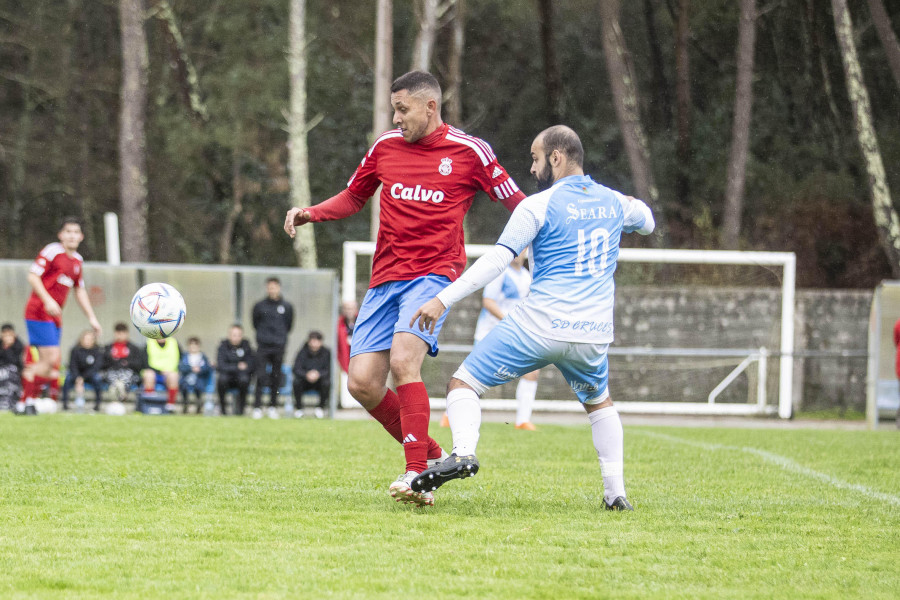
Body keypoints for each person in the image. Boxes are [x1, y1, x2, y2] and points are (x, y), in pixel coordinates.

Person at [284, 70, 526, 507]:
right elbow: (353, 197)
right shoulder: (385, 148)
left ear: (430, 106)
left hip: (434, 276)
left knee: (403, 361)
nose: (396, 119)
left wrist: (540, 243)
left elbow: (519, 204)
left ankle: (417, 475)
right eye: (393, 110)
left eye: (402, 109)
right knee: (361, 384)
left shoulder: (470, 152)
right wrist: (310, 213)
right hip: (384, 278)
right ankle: (433, 456)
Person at [409, 125, 655, 511]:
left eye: (535, 157)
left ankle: (462, 452)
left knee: (462, 384)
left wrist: (444, 298)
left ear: (556, 158)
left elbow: (497, 260)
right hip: (593, 331)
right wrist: (622, 204)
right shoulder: (613, 203)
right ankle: (615, 494)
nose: (532, 167)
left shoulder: (537, 205)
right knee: (601, 404)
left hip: (539, 324)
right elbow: (648, 221)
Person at [439, 250, 541, 430]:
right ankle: (449, 415)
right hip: (491, 333)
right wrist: (508, 320)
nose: (520, 253)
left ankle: (523, 421)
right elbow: (488, 302)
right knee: (471, 377)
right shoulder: (500, 273)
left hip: (513, 333)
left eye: (524, 249)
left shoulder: (526, 277)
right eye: (518, 249)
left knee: (533, 371)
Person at [20, 216, 102, 413]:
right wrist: (48, 300)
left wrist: (92, 318)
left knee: (49, 364)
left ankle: (28, 402)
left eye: (76, 232)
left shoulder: (78, 261)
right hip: (39, 311)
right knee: (51, 359)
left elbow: (79, 290)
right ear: (61, 235)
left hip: (55, 315)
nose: (72, 235)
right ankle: (24, 402)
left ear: (81, 236)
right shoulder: (52, 251)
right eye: (68, 232)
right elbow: (33, 276)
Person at [251, 277, 294, 419]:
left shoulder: (286, 306)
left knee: (276, 377)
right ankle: (257, 407)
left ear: (279, 288)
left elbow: (288, 325)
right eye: (269, 287)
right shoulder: (259, 306)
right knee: (261, 375)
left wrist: (279, 339)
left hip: (279, 346)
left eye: (274, 287)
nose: (272, 290)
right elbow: (255, 323)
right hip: (263, 346)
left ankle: (272, 407)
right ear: (266, 288)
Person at [216, 324, 255, 416]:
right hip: (227, 378)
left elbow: (251, 365)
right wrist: (237, 367)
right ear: (229, 335)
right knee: (221, 380)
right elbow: (221, 365)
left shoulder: (247, 347)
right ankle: (223, 411)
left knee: (244, 380)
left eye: (239, 335)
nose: (236, 338)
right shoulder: (223, 347)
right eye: (234, 335)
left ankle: (241, 411)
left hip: (241, 378)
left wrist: (233, 367)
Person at [61, 329, 105, 412]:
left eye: (90, 339)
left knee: (97, 379)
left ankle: (97, 405)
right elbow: (72, 365)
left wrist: (83, 378)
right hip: (76, 374)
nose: (87, 341)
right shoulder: (75, 350)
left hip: (89, 375)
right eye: (86, 339)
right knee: (67, 379)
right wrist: (77, 378)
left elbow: (96, 367)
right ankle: (65, 405)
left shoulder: (97, 351)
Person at [291, 331, 332, 419]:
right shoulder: (302, 352)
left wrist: (318, 374)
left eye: (317, 341)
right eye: (312, 341)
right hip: (305, 381)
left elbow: (328, 370)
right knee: (296, 382)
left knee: (326, 382)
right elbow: (296, 369)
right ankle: (299, 409)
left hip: (319, 382)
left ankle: (320, 408)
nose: (314, 344)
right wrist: (306, 374)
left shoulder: (326, 353)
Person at [103, 322, 146, 404]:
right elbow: (103, 364)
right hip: (112, 373)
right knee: (112, 377)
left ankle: (120, 390)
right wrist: (113, 361)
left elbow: (139, 365)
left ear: (127, 334)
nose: (120, 335)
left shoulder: (134, 348)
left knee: (126, 376)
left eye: (122, 333)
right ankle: (119, 390)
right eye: (118, 333)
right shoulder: (108, 348)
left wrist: (126, 363)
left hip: (128, 374)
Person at [142, 337, 181, 412]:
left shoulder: (174, 343)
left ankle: (170, 406)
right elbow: (144, 363)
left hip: (169, 373)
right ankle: (150, 404)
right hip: (155, 372)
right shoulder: (149, 343)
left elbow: (180, 360)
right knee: (148, 375)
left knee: (174, 376)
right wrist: (159, 371)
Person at [178, 336, 213, 414]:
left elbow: (207, 367)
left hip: (199, 378)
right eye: (191, 344)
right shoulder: (185, 356)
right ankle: (185, 403)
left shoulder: (202, 357)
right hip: (186, 378)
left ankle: (199, 404)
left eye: (195, 345)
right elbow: (181, 367)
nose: (193, 347)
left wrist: (200, 369)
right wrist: (191, 368)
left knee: (198, 386)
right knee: (183, 386)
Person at [0, 324, 25, 411]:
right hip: (1, 370)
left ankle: (9, 402)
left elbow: (14, 361)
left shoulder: (18, 345)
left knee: (9, 372)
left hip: (14, 371)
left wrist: (7, 348)